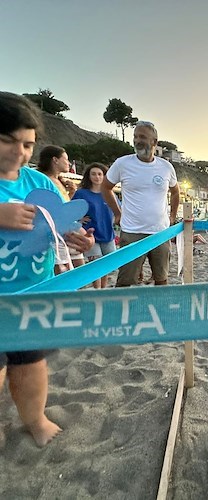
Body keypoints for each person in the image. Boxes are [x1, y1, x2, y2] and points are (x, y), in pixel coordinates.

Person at [0, 91, 94, 446]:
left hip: (33, 294)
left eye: (27, 144)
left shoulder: (39, 182)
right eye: (8, 141)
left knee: (30, 365)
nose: (19, 152)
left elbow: (60, 226)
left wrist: (76, 239)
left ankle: (35, 420)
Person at [101, 120, 180, 287]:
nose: (137, 140)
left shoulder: (166, 167)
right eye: (135, 136)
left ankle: (160, 310)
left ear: (154, 142)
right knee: (125, 280)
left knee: (161, 278)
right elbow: (106, 187)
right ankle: (125, 312)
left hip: (160, 233)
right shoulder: (122, 163)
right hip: (132, 231)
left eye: (142, 137)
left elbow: (175, 191)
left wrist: (172, 215)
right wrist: (117, 212)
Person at [38, 145, 85, 271]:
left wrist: (71, 193)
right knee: (63, 270)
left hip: (67, 230)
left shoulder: (59, 180)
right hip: (55, 232)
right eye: (66, 159)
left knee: (78, 269)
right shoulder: (43, 180)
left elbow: (62, 205)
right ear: (55, 160)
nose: (69, 163)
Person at [72, 163, 116, 288]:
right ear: (89, 176)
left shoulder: (109, 193)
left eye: (100, 174)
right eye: (93, 174)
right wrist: (79, 220)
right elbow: (70, 210)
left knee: (106, 264)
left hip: (108, 233)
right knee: (95, 264)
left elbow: (118, 210)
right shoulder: (81, 194)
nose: (97, 177)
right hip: (89, 234)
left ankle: (103, 288)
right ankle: (97, 290)